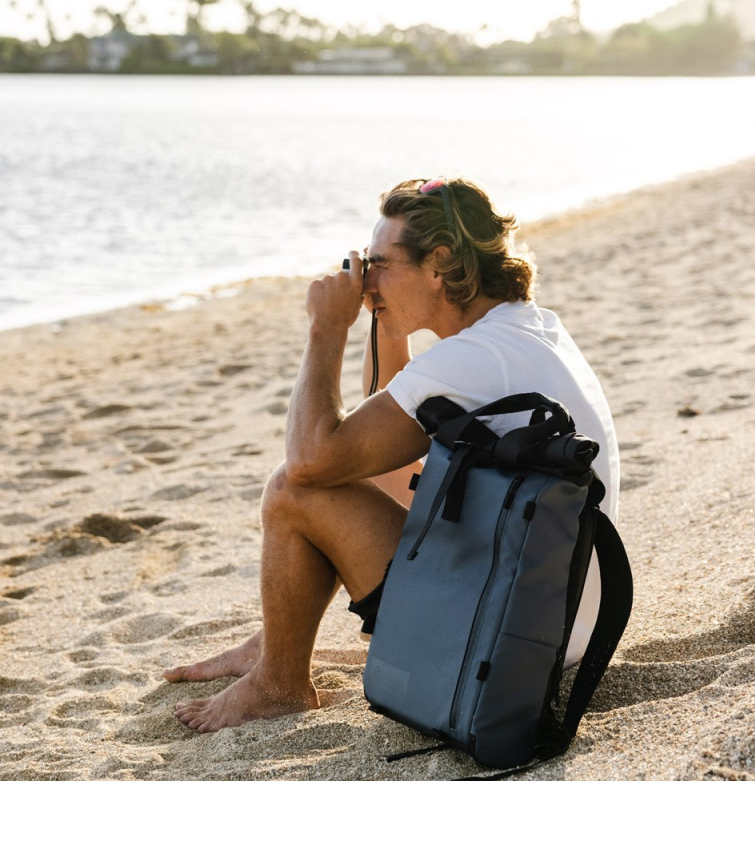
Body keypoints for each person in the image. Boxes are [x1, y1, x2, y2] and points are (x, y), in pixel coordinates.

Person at [166, 177, 619, 733]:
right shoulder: (523, 329)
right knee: (371, 473)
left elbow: (313, 459)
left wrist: (325, 329)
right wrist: (382, 308)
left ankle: (277, 684)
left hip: (501, 640)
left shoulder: (471, 360)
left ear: (439, 264)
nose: (365, 278)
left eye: (378, 263)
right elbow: (382, 445)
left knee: (295, 488)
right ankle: (272, 645)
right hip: (553, 620)